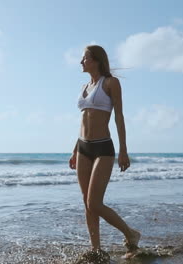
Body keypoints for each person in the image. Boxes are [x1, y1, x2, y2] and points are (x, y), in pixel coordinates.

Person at [68, 45, 141, 260]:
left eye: (85, 58)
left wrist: (124, 150)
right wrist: (74, 150)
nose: (82, 62)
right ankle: (96, 250)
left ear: (97, 60)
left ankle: (131, 234)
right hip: (83, 147)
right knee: (86, 203)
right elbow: (83, 122)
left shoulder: (110, 83)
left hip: (103, 148)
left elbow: (119, 116)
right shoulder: (85, 86)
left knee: (94, 203)